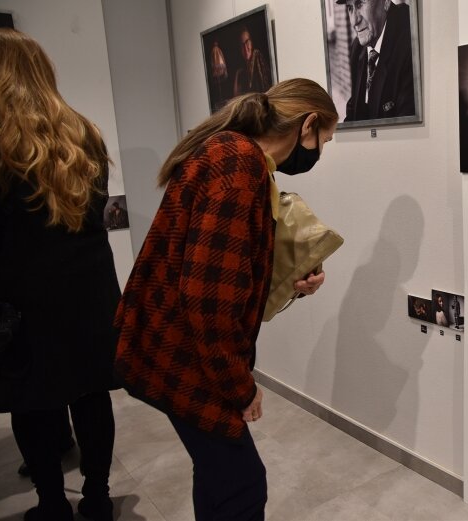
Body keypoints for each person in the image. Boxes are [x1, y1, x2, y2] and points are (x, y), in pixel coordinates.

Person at [113, 78, 338, 521]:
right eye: (323, 140)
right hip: (183, 353)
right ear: (307, 123)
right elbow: (206, 299)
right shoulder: (239, 167)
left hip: (175, 343)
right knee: (242, 486)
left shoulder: (231, 153)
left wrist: (290, 277)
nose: (318, 153)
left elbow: (223, 263)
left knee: (219, 474)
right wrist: (241, 387)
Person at [0, 28, 120, 521]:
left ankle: (51, 504)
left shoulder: (3, 142)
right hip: (88, 294)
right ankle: (96, 498)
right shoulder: (84, 133)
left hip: (24, 301)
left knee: (33, 403)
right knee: (90, 393)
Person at [337, 0, 416, 121]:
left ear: (386, 2)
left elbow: (407, 127)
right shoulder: (357, 48)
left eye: (360, 4)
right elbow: (354, 113)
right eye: (350, 8)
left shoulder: (411, 40)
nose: (354, 21)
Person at [232, 27, 272, 97]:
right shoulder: (241, 72)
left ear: (252, 43)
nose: (245, 47)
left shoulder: (258, 59)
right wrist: (237, 74)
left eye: (247, 42)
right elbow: (236, 98)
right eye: (242, 44)